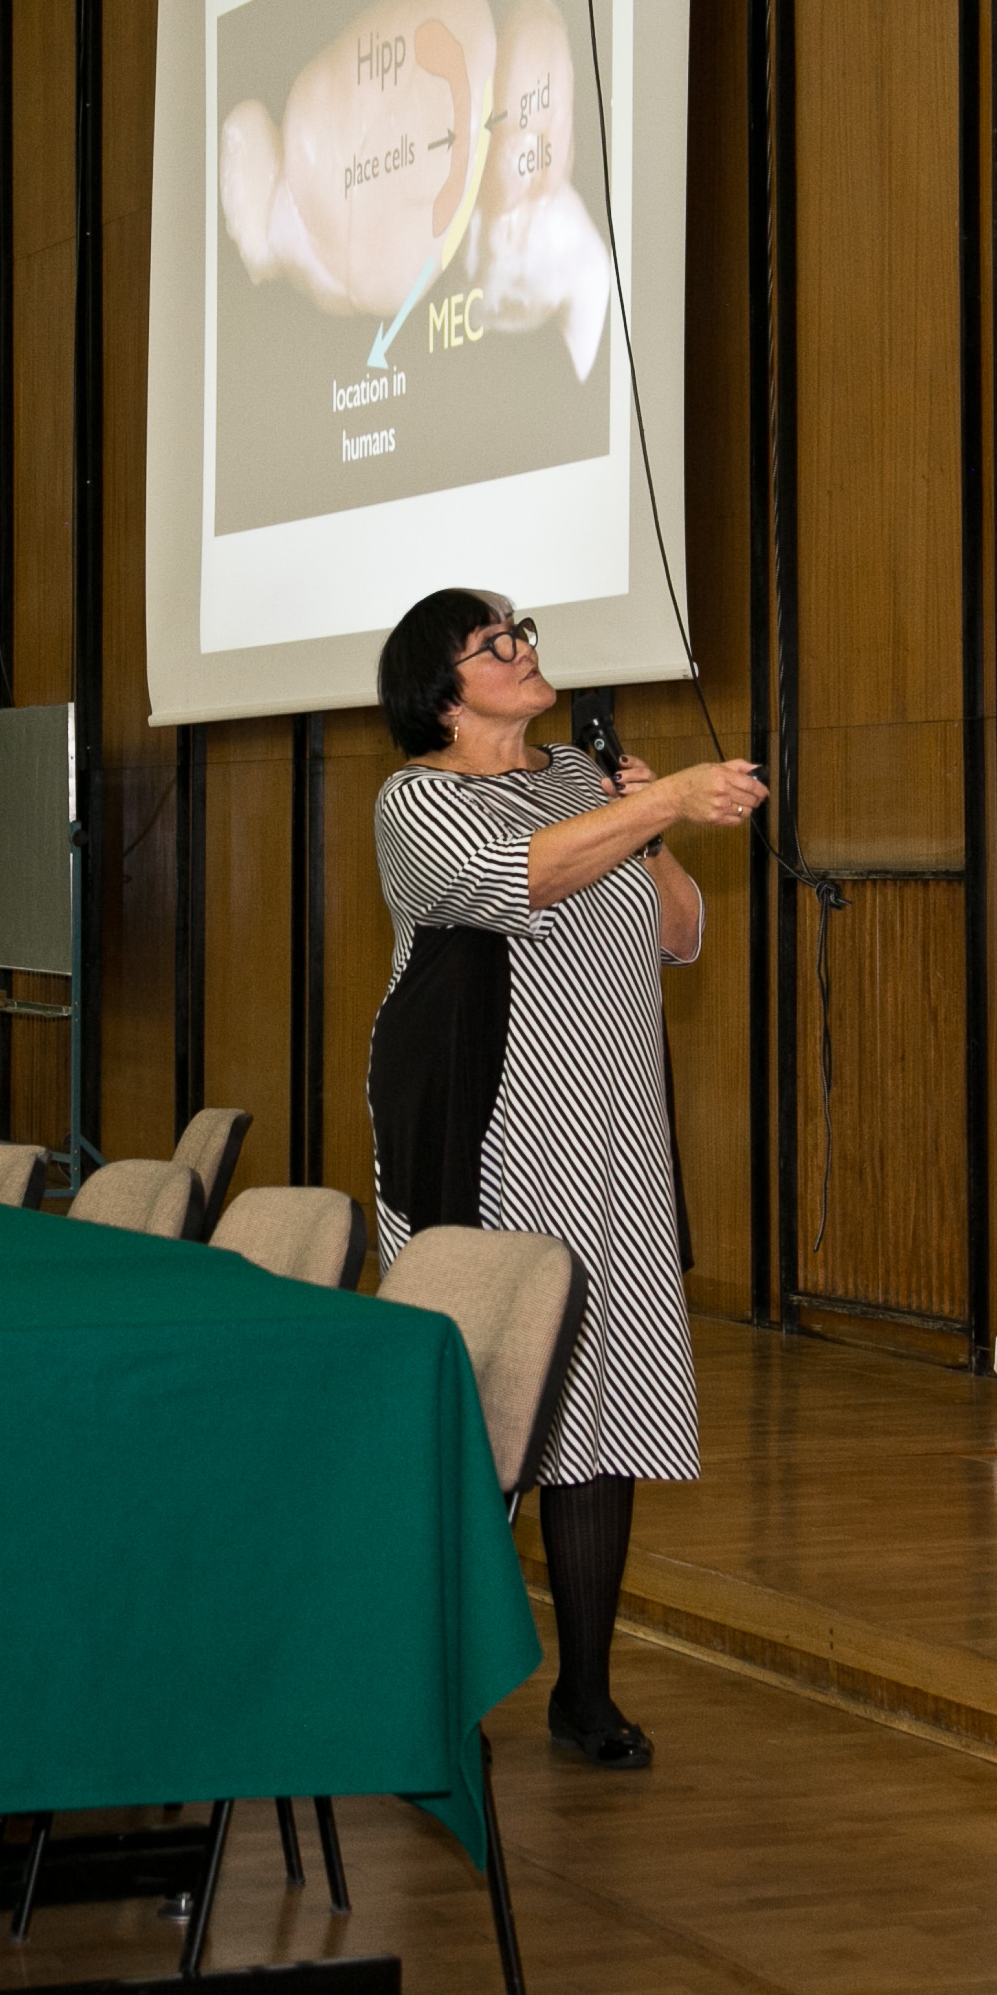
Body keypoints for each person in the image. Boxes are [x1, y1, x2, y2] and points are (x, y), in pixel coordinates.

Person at [366, 588, 767, 1768]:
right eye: (496, 643)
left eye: (523, 631)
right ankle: (431, 1698)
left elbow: (679, 932)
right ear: (443, 691)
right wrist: (659, 800)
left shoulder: (587, 782)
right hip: (495, 1139)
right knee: (482, 1417)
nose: (524, 650)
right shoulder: (417, 799)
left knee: (607, 1407)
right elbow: (519, 878)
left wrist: (651, 825)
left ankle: (585, 1693)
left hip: (616, 1143)